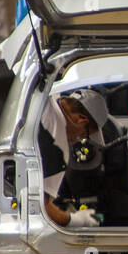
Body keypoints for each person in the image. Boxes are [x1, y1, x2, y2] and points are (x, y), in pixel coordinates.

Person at [38, 89, 111, 228]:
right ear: (81, 120)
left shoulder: (44, 99)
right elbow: (40, 207)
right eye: (85, 134)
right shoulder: (58, 147)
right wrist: (75, 220)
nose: (79, 139)